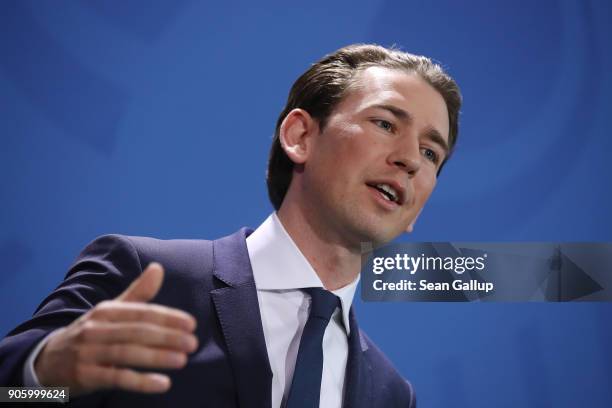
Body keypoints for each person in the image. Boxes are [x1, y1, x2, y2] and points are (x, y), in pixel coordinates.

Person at [0, 43, 461, 407]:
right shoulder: (145, 276)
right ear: (300, 136)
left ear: (417, 209)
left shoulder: (391, 394)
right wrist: (45, 377)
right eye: (384, 123)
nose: (409, 161)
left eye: (430, 154)